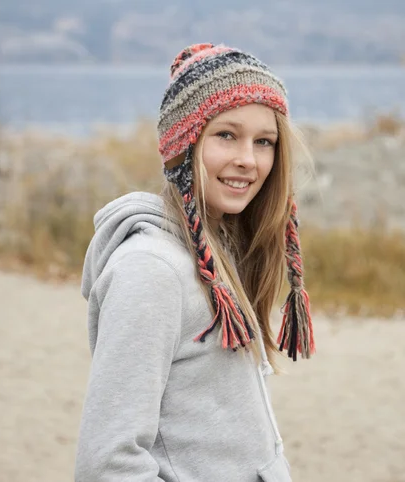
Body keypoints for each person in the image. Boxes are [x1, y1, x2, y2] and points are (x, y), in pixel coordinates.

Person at [75, 43, 315, 482]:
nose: (248, 158)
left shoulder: (218, 252)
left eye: (264, 142)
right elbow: (106, 463)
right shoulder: (151, 271)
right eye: (226, 134)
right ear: (182, 146)